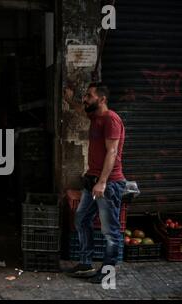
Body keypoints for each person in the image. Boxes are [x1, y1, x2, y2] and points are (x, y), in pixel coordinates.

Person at [63, 82, 126, 284]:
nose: (86, 99)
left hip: (107, 183)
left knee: (110, 231)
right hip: (92, 181)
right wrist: (69, 99)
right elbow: (81, 108)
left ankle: (107, 273)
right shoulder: (95, 116)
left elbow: (113, 152)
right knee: (81, 219)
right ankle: (85, 263)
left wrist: (102, 182)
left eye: (89, 96)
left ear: (102, 99)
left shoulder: (111, 119)